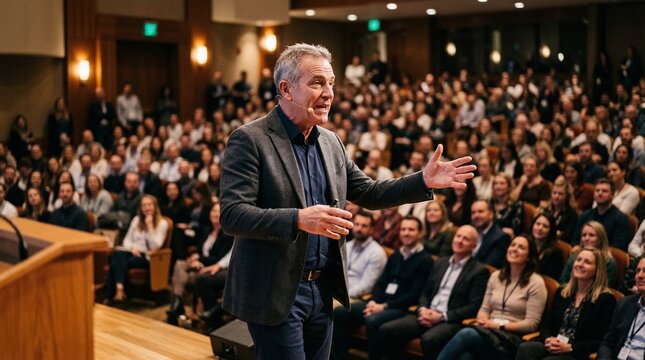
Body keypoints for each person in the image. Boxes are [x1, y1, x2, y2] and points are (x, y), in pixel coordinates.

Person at [219, 43, 476, 360]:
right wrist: (298, 218)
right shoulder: (250, 139)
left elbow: (369, 192)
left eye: (331, 84)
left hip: (322, 289)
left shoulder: (330, 141)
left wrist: (421, 181)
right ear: (285, 89)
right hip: (276, 291)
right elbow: (233, 215)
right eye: (317, 83)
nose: (329, 93)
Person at [379, 225, 490, 359]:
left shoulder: (479, 271)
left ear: (474, 245)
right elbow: (425, 292)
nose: (459, 241)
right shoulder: (440, 263)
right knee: (387, 329)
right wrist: (423, 310)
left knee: (429, 339)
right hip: (426, 313)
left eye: (465, 239)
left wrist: (442, 316)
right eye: (458, 236)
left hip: (450, 321)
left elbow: (473, 306)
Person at [330, 216, 433, 360]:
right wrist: (374, 301)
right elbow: (381, 284)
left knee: (373, 320)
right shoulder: (396, 255)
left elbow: (414, 295)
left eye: (411, 229)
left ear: (420, 233)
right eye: (403, 229)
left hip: (401, 308)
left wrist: (383, 306)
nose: (406, 233)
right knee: (341, 312)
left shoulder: (425, 260)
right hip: (380, 303)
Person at [437, 236, 548, 360]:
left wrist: (497, 326)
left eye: (521, 247)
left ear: (529, 257)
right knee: (466, 357)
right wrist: (483, 319)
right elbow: (484, 308)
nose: (514, 249)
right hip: (488, 332)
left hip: (511, 338)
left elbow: (531, 324)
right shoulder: (496, 276)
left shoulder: (536, 283)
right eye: (513, 245)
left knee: (467, 333)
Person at [516, 247, 616, 360]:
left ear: (598, 269)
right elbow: (547, 324)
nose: (580, 264)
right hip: (554, 344)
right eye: (579, 260)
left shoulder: (606, 299)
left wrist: (570, 347)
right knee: (526, 348)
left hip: (576, 353)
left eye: (587, 262)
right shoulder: (563, 292)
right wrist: (548, 339)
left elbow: (602, 339)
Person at [167, 202, 233, 327]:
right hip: (202, 263)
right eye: (213, 211)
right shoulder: (207, 230)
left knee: (189, 277)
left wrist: (200, 259)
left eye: (218, 211)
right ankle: (178, 303)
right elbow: (199, 248)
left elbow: (219, 258)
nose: (215, 214)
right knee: (180, 264)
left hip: (212, 266)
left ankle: (179, 308)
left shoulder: (227, 234)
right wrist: (195, 258)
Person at [107, 195, 169, 302]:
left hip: (148, 256)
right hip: (132, 252)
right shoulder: (136, 220)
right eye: (144, 205)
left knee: (115, 263)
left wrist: (150, 227)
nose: (146, 208)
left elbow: (156, 246)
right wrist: (132, 249)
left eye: (149, 205)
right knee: (118, 253)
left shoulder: (163, 224)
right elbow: (126, 240)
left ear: (155, 207)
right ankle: (120, 290)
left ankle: (113, 294)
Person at [597, 255, 645, 360]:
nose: (639, 276)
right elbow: (607, 343)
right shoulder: (625, 303)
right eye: (638, 271)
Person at [571, 178, 631, 251]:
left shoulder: (621, 219)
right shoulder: (585, 216)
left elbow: (618, 248)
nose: (600, 193)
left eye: (604, 191)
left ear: (612, 195)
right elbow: (575, 240)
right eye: (597, 190)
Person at [343, 209, 387, 302]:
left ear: (372, 229)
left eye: (364, 226)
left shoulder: (376, 253)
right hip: (340, 294)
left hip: (357, 298)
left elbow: (367, 286)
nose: (359, 229)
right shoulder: (346, 246)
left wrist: (343, 295)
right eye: (357, 224)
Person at [561, 221, 617, 289]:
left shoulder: (609, 262)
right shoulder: (575, 256)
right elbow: (562, 280)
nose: (586, 238)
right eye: (584, 235)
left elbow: (606, 288)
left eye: (591, 235)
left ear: (600, 239)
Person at [471, 200, 511, 268]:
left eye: (480, 211)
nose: (476, 215)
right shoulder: (470, 232)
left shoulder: (501, 238)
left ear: (491, 214)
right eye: (473, 212)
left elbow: (490, 267)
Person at [540, 176, 579, 243]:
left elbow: (567, 236)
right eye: (554, 193)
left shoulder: (571, 214)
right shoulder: (546, 210)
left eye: (560, 194)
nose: (556, 196)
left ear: (567, 196)